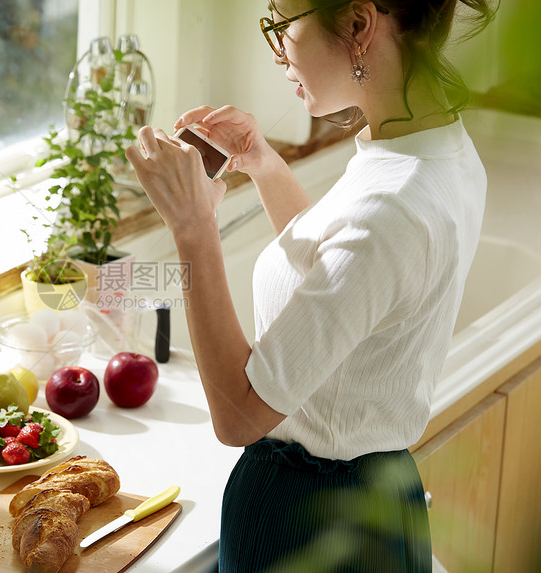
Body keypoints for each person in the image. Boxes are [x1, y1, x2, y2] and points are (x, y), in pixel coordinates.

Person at [125, 0, 497, 570]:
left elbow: (239, 418)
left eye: (282, 24)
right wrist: (264, 165)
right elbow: (342, 284)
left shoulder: (393, 207)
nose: (276, 53)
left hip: (305, 521)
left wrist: (192, 227)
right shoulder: (432, 147)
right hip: (375, 500)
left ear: (357, 25)